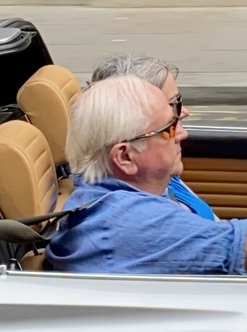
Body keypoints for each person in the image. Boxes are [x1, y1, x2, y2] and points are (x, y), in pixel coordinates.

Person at [46, 75, 247, 276]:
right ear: (126, 157)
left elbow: (223, 239)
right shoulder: (125, 222)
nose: (182, 133)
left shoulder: (119, 203)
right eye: (168, 129)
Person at [88, 53, 217, 220]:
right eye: (171, 106)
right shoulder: (138, 217)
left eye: (179, 100)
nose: (184, 112)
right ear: (125, 155)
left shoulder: (161, 175)